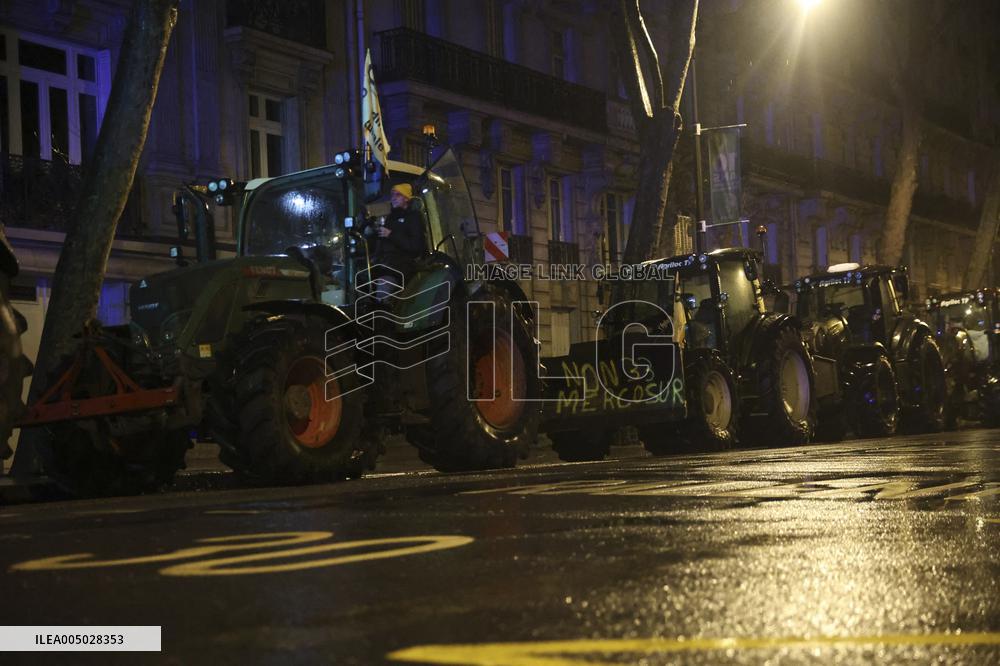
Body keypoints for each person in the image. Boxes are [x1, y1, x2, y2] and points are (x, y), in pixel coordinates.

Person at [369, 183, 426, 299]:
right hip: (384, 265)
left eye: (398, 195)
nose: (393, 198)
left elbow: (415, 247)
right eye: (392, 195)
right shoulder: (391, 217)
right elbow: (382, 244)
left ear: (406, 198)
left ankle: (382, 313)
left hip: (401, 267)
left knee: (383, 290)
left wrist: (390, 234)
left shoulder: (414, 217)